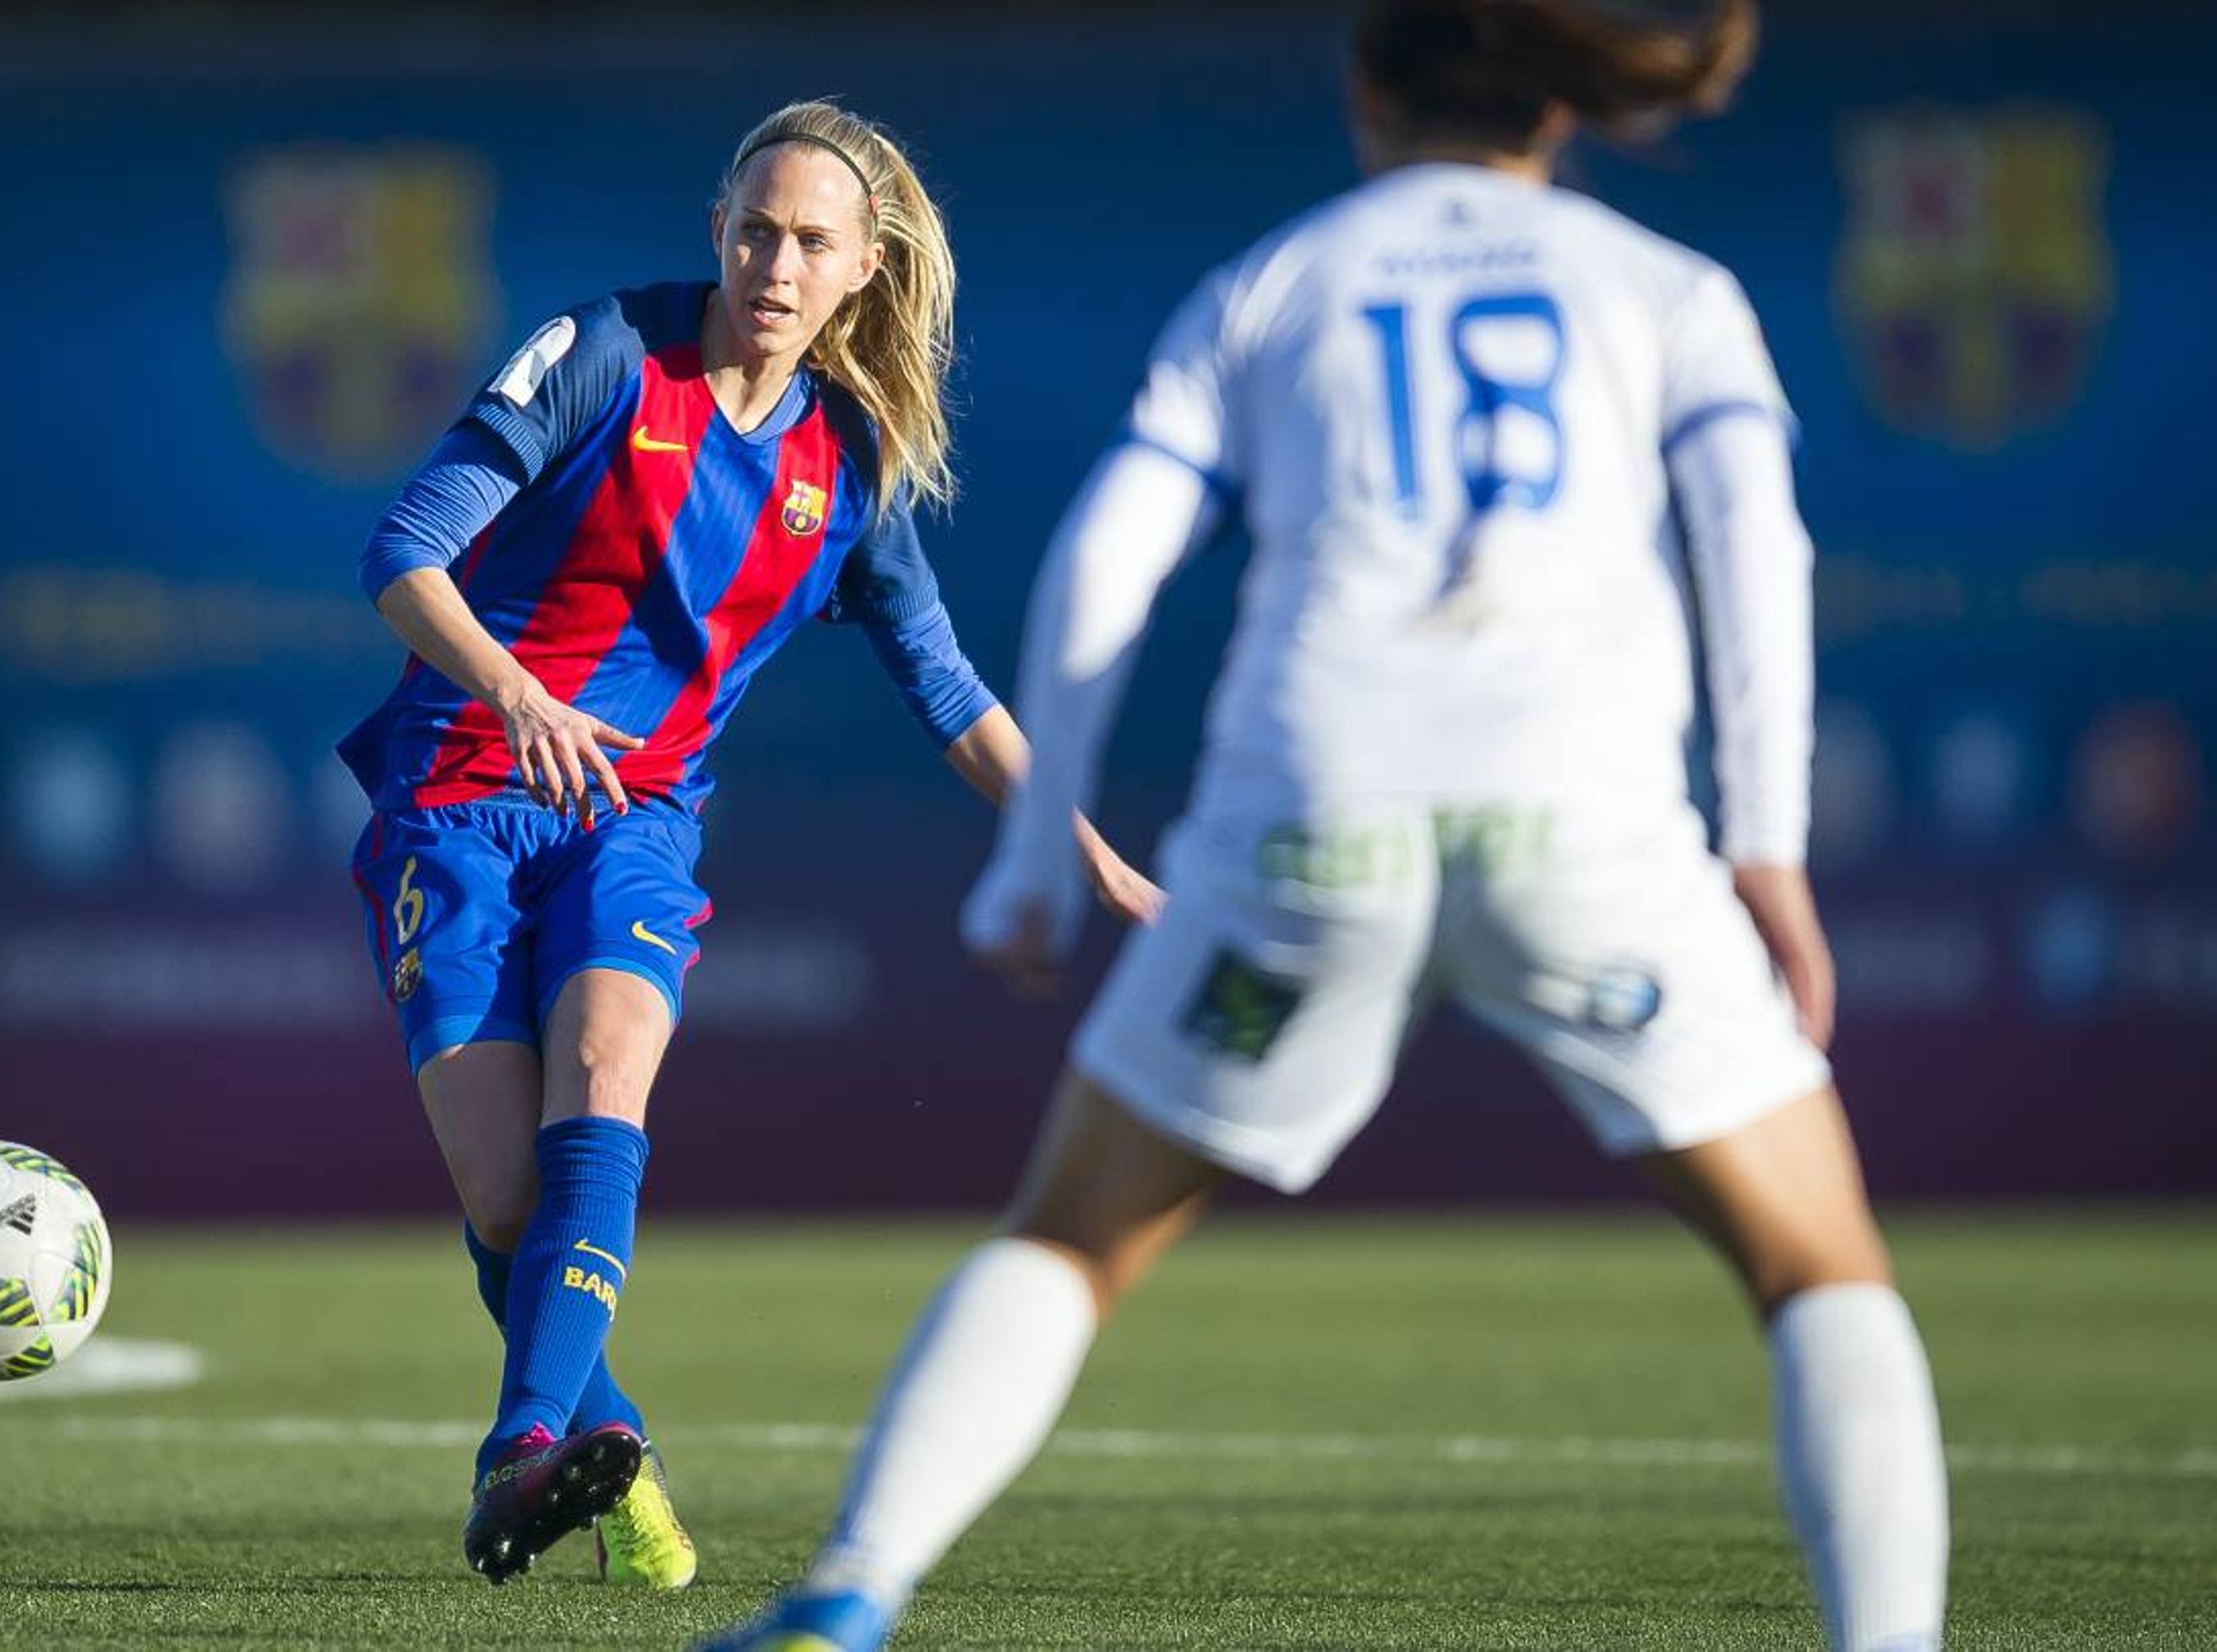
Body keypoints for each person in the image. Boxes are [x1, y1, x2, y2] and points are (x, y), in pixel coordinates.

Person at [704, 5, 1948, 1650]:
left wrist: (1033, 847)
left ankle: (850, 1593)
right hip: (1583, 832)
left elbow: (1104, 560)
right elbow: (1754, 556)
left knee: (1072, 1239)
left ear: (1369, 86)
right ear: (1561, 108)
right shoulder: (1668, 292)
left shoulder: (1276, 284)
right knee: (1818, 1265)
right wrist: (1768, 848)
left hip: (1313, 830)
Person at [336, 99, 1158, 1590]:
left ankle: (517, 1456)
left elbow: (947, 684)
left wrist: (1079, 847)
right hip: (457, 794)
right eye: (758, 230)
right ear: (720, 231)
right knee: (508, 1206)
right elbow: (405, 551)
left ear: (864, 272)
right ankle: (607, 1452)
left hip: (637, 822)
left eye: (814, 243)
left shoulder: (850, 466)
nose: (778, 263)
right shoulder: (601, 356)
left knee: (604, 1071)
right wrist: (520, 694)